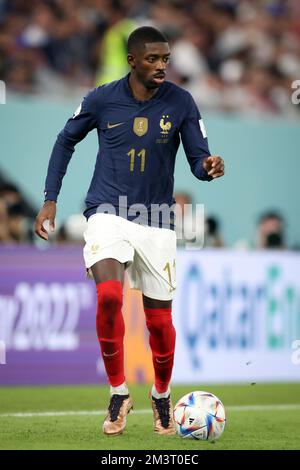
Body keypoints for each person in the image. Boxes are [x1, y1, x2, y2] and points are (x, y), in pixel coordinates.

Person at [35, 26, 225, 437]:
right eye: (153, 59)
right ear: (133, 60)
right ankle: (119, 392)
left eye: (166, 60)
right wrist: (51, 197)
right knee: (108, 296)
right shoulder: (101, 99)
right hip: (107, 212)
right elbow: (65, 141)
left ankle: (160, 396)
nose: (161, 66)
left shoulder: (182, 102)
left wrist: (207, 168)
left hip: (157, 219)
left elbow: (197, 159)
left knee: (158, 322)